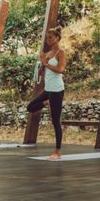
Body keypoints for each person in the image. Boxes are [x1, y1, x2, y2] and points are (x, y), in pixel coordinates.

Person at [27, 26, 67, 161]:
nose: (48, 40)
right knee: (30, 107)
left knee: (55, 121)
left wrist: (47, 64)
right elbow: (43, 72)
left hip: (57, 89)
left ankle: (58, 152)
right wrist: (41, 67)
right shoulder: (48, 53)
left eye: (51, 37)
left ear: (57, 38)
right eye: (47, 38)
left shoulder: (60, 53)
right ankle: (46, 102)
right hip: (48, 89)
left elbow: (61, 69)